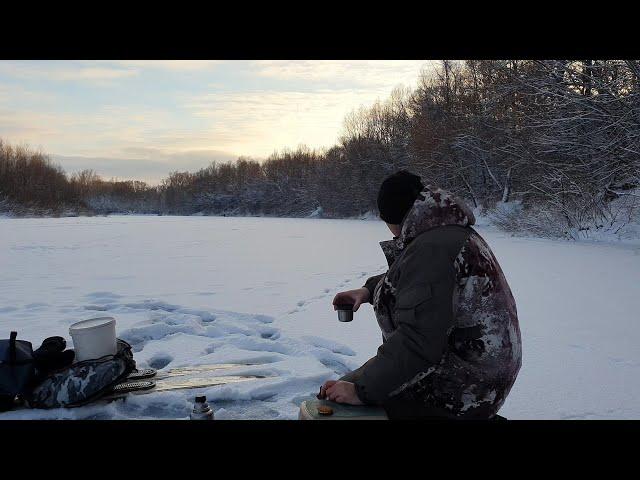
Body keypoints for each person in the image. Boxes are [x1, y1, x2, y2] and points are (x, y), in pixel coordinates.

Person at [319, 171, 522, 419]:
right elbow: (418, 284)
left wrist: (361, 392)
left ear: (392, 216)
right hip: (474, 367)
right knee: (349, 386)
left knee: (340, 407)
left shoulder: (432, 249)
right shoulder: (443, 231)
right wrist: (369, 291)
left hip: (465, 384)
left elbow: (418, 342)